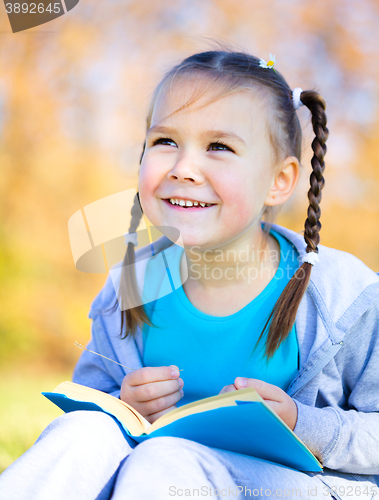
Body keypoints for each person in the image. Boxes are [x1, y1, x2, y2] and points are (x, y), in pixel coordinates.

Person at [1, 45, 379, 500]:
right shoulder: (133, 285)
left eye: (219, 147)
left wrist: (305, 424)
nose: (183, 168)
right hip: (151, 476)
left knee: (169, 461)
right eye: (165, 142)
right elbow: (92, 398)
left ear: (280, 181)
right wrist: (122, 405)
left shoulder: (343, 295)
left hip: (282, 487)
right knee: (83, 432)